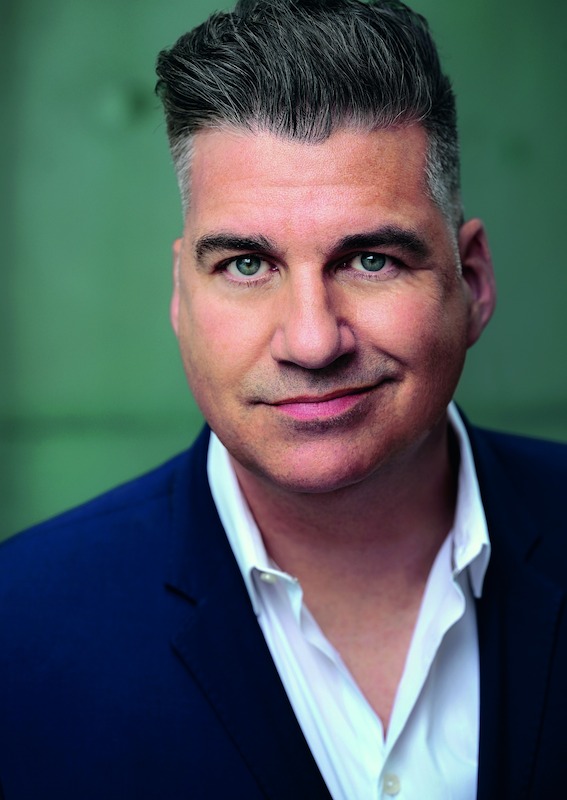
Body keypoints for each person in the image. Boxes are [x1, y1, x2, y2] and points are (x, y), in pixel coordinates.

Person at [1, 0, 566, 797]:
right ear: (180, 294)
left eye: (370, 260)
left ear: (471, 282)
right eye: (245, 265)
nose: (311, 340)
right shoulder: (18, 628)